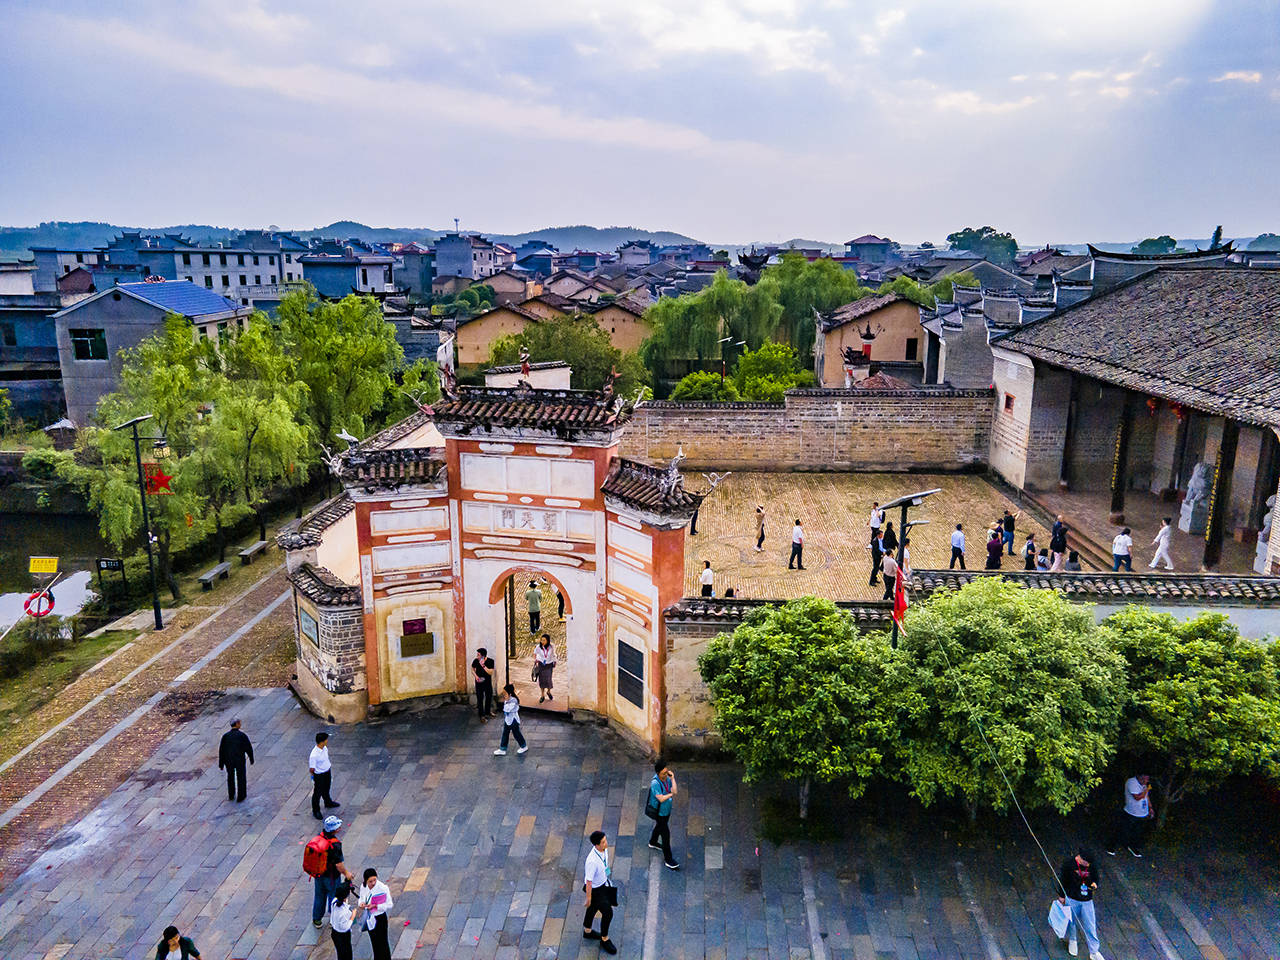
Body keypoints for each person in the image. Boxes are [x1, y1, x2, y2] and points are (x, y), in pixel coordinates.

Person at [1057, 849, 1105, 960]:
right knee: (1071, 921)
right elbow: (1063, 880)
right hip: (1072, 897)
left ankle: (1094, 951)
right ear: (1081, 858)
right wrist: (1061, 896)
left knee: (1090, 925)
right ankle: (1073, 940)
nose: (1088, 865)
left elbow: (1096, 878)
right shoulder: (1069, 864)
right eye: (1086, 862)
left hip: (1087, 900)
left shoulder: (1091, 865)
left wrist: (1094, 884)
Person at [311, 815, 355, 927]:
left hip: (319, 874)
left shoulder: (319, 838)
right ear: (334, 829)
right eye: (338, 827)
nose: (340, 828)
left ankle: (317, 919)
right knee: (333, 897)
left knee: (319, 896)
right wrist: (346, 873)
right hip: (331, 876)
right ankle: (333, 918)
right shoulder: (335, 844)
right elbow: (339, 864)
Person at [582, 830, 618, 954]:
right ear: (596, 845)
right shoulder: (592, 861)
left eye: (605, 840)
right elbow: (589, 882)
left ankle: (587, 931)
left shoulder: (604, 850)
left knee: (593, 908)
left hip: (603, 884)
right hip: (595, 890)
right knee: (608, 913)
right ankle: (604, 938)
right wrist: (589, 897)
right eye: (603, 842)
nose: (606, 843)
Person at [1106, 773, 1153, 858]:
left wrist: (1150, 807)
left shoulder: (1144, 785)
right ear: (1140, 777)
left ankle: (1132, 847)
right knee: (1122, 830)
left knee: (1137, 832)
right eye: (1145, 779)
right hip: (1131, 812)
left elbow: (1146, 796)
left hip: (1142, 813)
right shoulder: (1131, 783)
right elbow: (1137, 797)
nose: (1146, 781)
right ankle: (1111, 846)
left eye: (1147, 779)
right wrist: (1147, 789)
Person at [647, 758, 680, 870]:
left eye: (666, 772)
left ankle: (652, 842)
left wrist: (673, 778)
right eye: (663, 773)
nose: (665, 775)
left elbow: (675, 790)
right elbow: (661, 798)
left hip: (666, 811)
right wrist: (670, 794)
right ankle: (668, 859)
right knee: (665, 835)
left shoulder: (667, 778)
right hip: (659, 812)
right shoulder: (655, 783)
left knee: (660, 826)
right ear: (658, 773)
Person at [356, 868, 394, 960]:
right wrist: (361, 903)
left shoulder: (383, 888)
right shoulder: (363, 887)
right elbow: (361, 898)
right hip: (370, 917)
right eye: (370, 881)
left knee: (383, 942)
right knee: (374, 942)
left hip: (380, 918)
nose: (373, 883)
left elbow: (389, 904)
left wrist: (376, 906)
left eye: (374, 880)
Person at [218, 718, 253, 803]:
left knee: (230, 777)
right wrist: (251, 758)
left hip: (229, 760)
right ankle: (241, 795)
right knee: (241, 777)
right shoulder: (242, 736)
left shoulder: (226, 736)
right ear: (237, 724)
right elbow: (248, 748)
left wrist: (221, 763)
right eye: (239, 723)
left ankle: (231, 794)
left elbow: (221, 750)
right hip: (239, 760)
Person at [310, 732, 340, 820]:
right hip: (319, 775)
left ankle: (328, 802)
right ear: (322, 742)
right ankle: (316, 810)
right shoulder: (314, 755)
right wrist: (314, 778)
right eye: (326, 739)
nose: (327, 741)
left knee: (327, 788)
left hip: (327, 771)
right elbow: (312, 769)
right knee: (317, 793)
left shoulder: (325, 748)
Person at [494, 683, 528, 755]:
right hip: (508, 720)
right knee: (505, 733)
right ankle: (502, 749)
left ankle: (523, 746)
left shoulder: (513, 700)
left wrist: (506, 703)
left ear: (510, 693)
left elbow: (507, 709)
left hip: (513, 720)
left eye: (505, 693)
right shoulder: (508, 699)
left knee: (516, 734)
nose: (503, 695)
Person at [329, 883, 355, 960]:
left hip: (335, 932)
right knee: (347, 955)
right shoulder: (344, 912)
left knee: (340, 954)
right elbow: (345, 927)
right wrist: (352, 916)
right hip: (343, 935)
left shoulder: (334, 901)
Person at [472, 647, 495, 721]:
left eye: (478, 655)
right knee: (480, 698)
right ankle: (481, 715)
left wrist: (483, 666)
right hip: (479, 682)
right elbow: (472, 669)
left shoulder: (490, 661)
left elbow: (490, 672)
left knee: (488, 697)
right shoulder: (476, 661)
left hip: (487, 682)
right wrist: (476, 676)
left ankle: (488, 712)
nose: (477, 656)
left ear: (483, 656)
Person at [535, 634, 557, 702]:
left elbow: (554, 654)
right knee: (541, 680)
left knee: (548, 679)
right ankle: (542, 695)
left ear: (548, 640)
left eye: (544, 640)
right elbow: (535, 653)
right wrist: (536, 660)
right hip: (541, 664)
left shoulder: (551, 647)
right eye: (541, 640)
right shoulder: (539, 647)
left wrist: (555, 661)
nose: (542, 641)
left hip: (549, 664)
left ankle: (548, 691)